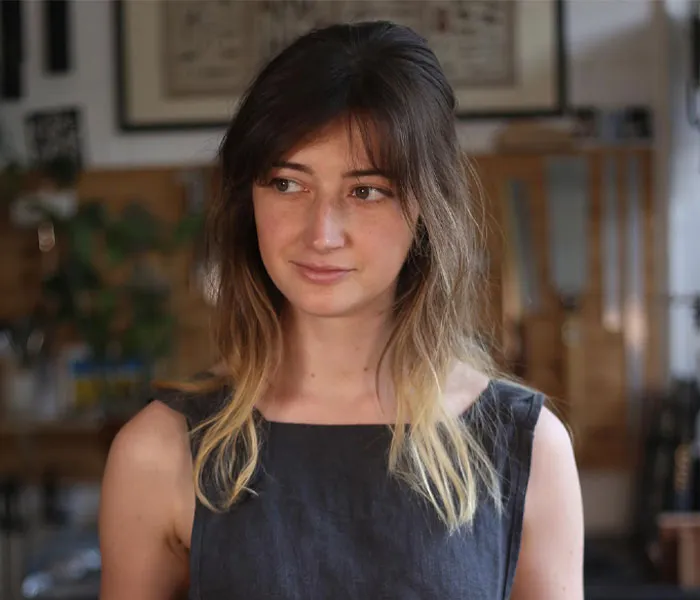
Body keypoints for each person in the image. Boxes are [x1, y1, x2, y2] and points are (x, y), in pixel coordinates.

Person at [99, 21, 583, 600]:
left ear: (427, 208)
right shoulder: (159, 453)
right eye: (286, 183)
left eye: (366, 190)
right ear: (247, 199)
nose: (321, 234)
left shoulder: (525, 448)